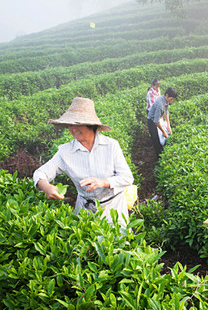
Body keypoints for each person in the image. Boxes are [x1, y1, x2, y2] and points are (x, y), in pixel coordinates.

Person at [33, 97, 134, 227]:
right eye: (70, 125)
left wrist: (103, 182)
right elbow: (40, 173)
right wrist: (46, 186)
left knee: (115, 243)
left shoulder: (111, 146)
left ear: (91, 125)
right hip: (84, 209)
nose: (73, 129)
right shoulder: (65, 152)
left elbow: (127, 178)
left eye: (78, 124)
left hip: (113, 208)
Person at [147, 87, 177, 159]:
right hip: (152, 122)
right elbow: (156, 121)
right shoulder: (160, 104)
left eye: (173, 99)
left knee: (165, 137)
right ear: (167, 95)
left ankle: (164, 155)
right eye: (171, 99)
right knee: (157, 142)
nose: (172, 101)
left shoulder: (165, 101)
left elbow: (166, 112)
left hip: (159, 120)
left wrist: (168, 125)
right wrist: (163, 131)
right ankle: (159, 160)